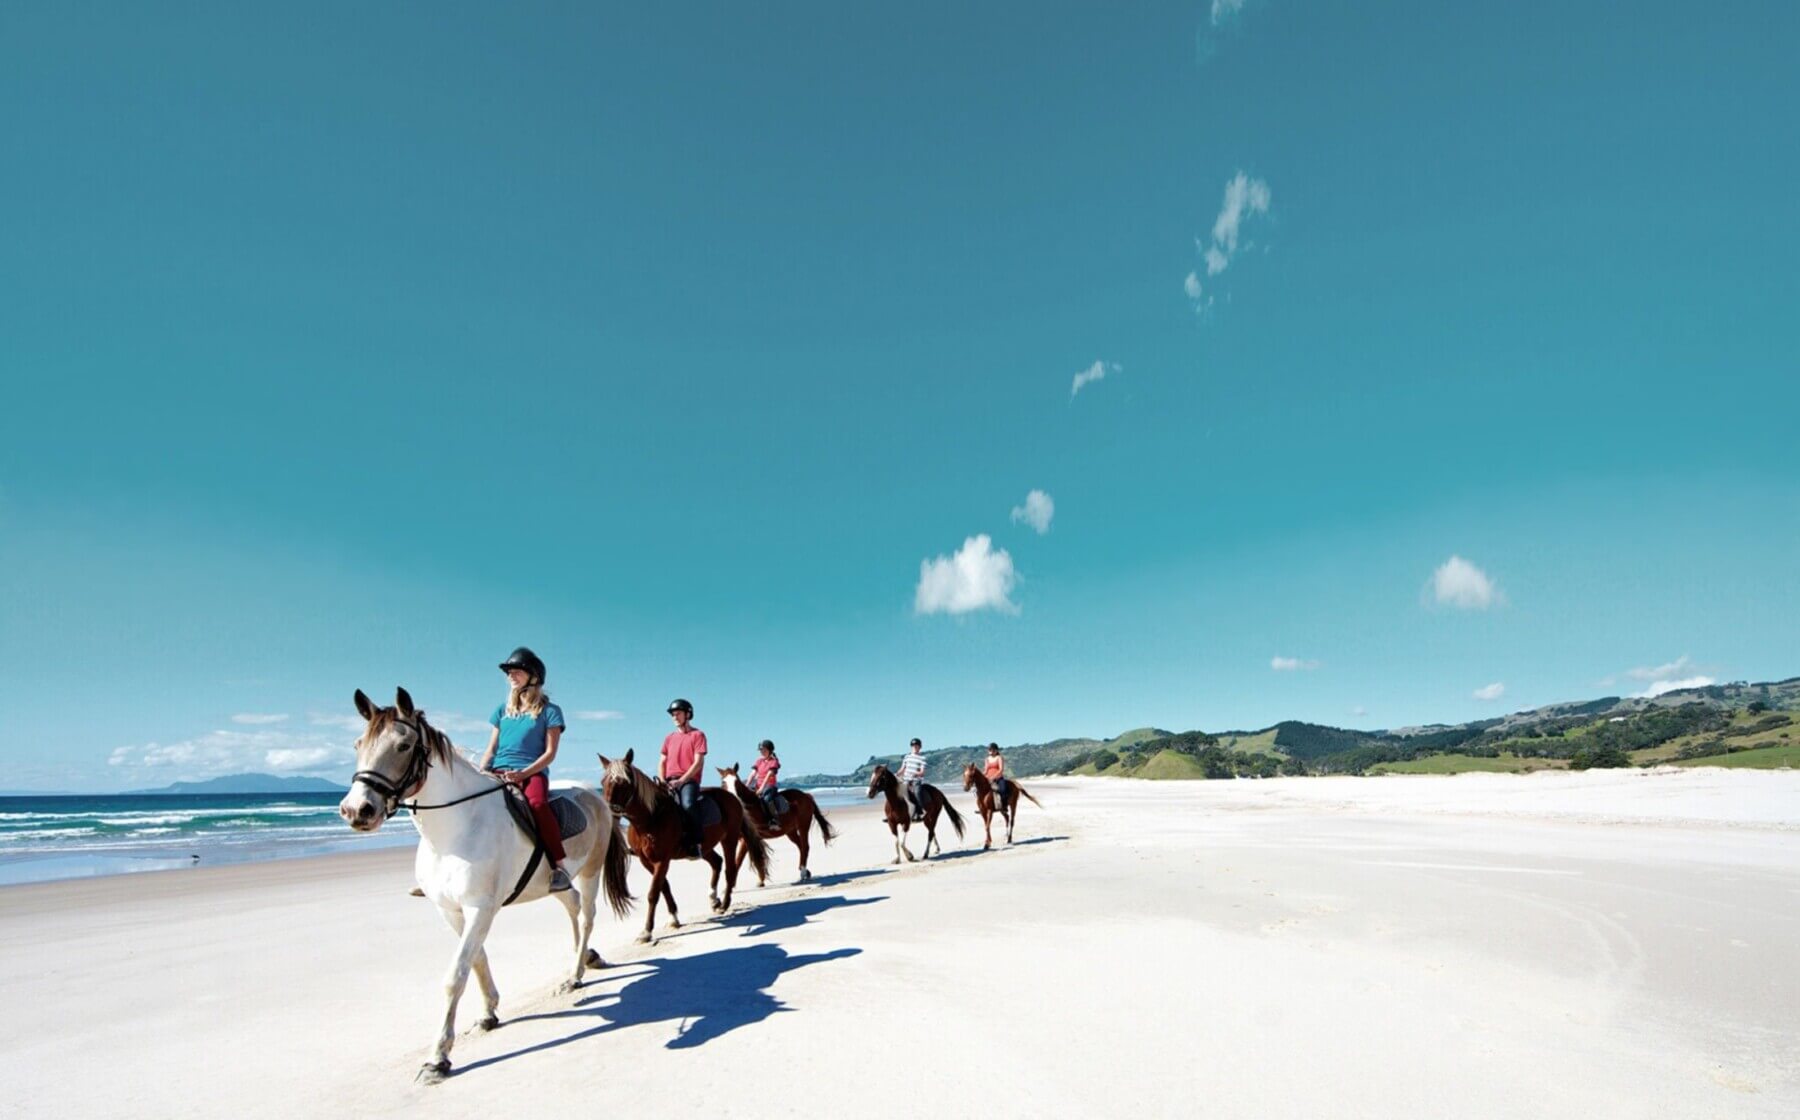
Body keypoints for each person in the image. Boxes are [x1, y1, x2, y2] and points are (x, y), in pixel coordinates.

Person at [479, 646, 571, 892]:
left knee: (538, 805)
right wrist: (481, 772)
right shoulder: (502, 710)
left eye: (516, 671)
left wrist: (524, 773)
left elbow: (550, 754)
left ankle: (559, 867)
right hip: (498, 771)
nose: (510, 675)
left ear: (533, 676)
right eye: (508, 672)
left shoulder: (550, 711)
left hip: (531, 772)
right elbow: (491, 748)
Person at [660, 698, 707, 856]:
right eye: (673, 714)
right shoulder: (669, 738)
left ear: (688, 714)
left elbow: (698, 763)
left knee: (687, 805)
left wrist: (681, 780)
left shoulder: (698, 735)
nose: (674, 717)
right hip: (668, 781)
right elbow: (662, 761)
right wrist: (661, 781)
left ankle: (696, 843)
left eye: (678, 713)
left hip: (688, 780)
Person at [749, 739, 782, 829]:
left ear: (770, 750)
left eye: (764, 750)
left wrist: (761, 789)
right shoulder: (759, 761)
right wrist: (746, 785)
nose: (762, 752)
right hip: (758, 785)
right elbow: (752, 773)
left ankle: (774, 820)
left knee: (766, 799)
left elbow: (768, 776)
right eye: (761, 750)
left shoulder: (773, 761)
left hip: (770, 786)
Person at [897, 737, 927, 822]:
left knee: (917, 793)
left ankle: (920, 812)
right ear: (911, 747)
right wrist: (896, 774)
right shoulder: (907, 757)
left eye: (917, 746)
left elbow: (922, 772)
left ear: (920, 747)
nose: (915, 747)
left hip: (916, 780)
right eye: (913, 746)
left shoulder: (922, 758)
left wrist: (915, 774)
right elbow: (902, 769)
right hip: (906, 780)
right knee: (896, 793)